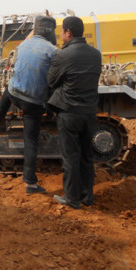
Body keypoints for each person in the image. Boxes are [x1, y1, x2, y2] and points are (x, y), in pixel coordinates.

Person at [0, 15, 58, 195]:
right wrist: (50, 110)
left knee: (10, 89)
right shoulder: (53, 51)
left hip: (14, 95)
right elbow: (52, 83)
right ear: (51, 32)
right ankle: (30, 183)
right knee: (31, 141)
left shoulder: (23, 45)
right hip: (33, 103)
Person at [47, 16, 102, 209]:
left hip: (69, 114)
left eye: (61, 31)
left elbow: (51, 82)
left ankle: (71, 199)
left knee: (70, 157)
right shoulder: (96, 54)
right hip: (89, 113)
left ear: (68, 32)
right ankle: (88, 197)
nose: (60, 35)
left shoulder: (63, 55)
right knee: (87, 156)